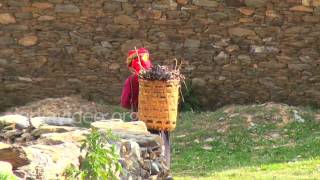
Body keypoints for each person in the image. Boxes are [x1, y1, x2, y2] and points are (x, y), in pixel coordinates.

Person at [120, 48, 172, 170]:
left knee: (144, 154)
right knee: (162, 148)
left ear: (132, 64)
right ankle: (164, 172)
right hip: (161, 121)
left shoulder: (132, 80)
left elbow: (124, 102)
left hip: (141, 123)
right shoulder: (161, 78)